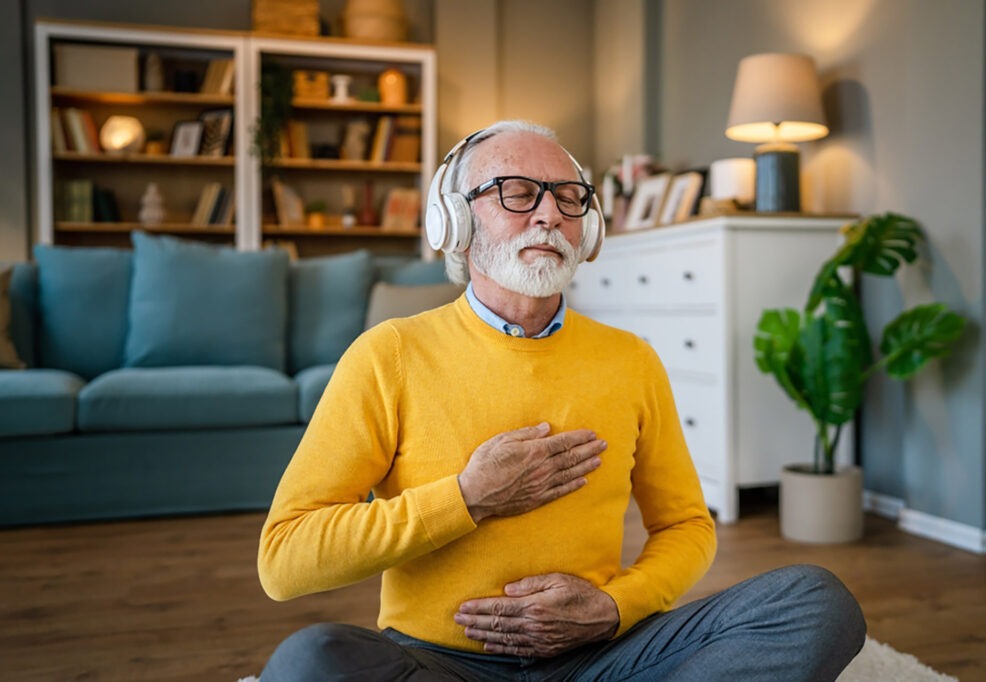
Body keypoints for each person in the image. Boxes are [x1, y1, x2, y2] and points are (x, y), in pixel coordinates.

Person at [257, 120, 866, 681]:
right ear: (455, 221)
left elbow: (686, 526)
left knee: (816, 603)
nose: (549, 213)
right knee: (311, 661)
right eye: (517, 192)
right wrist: (467, 498)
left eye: (569, 197)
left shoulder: (632, 360)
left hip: (601, 654)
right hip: (441, 663)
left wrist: (611, 607)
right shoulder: (388, 354)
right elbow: (285, 559)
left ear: (588, 229)